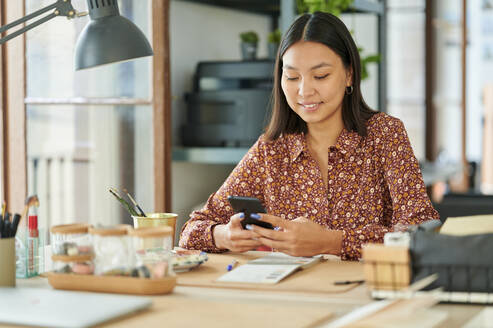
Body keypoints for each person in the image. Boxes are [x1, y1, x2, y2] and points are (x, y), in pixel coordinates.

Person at [179, 12, 439, 260]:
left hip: (368, 291)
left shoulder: (385, 134)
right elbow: (191, 230)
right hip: (295, 295)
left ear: (349, 74)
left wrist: (332, 242)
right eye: (292, 76)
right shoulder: (271, 150)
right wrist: (224, 235)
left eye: (320, 75)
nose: (304, 91)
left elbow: (423, 231)